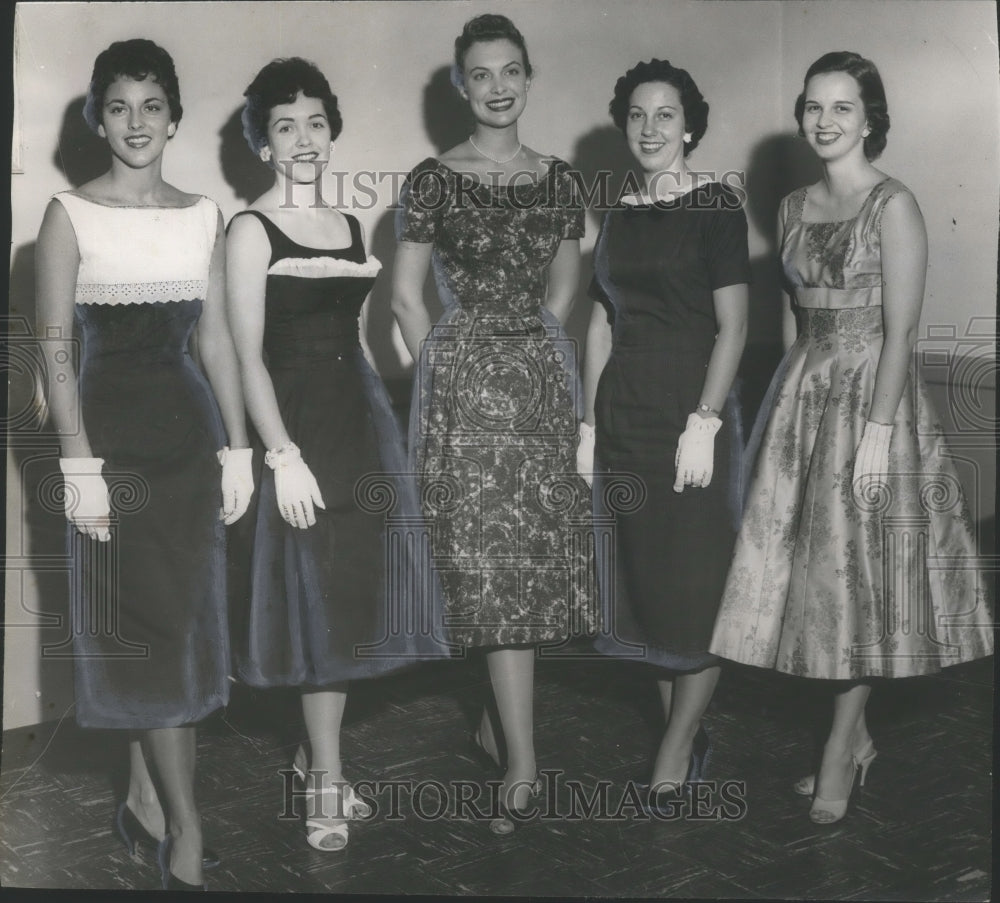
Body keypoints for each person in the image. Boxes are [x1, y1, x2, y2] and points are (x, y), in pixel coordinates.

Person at [709, 51, 994, 824]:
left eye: (842, 107)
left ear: (870, 118)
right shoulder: (793, 205)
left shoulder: (894, 204)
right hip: (806, 395)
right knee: (815, 581)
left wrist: (876, 434)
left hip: (878, 399)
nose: (825, 120)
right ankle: (857, 732)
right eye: (813, 106)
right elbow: (790, 322)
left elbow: (901, 332)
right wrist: (777, 408)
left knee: (863, 581)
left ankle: (838, 747)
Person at [35, 38, 252, 890]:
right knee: (141, 635)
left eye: (151, 105)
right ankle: (187, 828)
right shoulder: (67, 213)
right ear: (98, 117)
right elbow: (54, 352)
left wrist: (238, 445)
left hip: (189, 447)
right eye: (118, 106)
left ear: (174, 116)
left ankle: (147, 803)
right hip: (110, 450)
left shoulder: (205, 215)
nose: (136, 122)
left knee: (181, 633)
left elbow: (218, 341)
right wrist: (77, 462)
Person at [227, 57, 442, 852]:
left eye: (316, 122)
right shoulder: (250, 229)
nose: (305, 139)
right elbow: (246, 354)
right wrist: (279, 452)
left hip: (358, 427)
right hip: (296, 431)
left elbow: (354, 338)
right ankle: (325, 774)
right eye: (286, 126)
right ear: (262, 144)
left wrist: (384, 424)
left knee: (346, 603)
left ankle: (318, 757)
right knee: (312, 599)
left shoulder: (350, 228)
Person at [391, 13, 597, 833]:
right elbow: (406, 296)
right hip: (462, 387)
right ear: (460, 85)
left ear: (528, 76)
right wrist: (450, 372)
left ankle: (502, 731)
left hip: (539, 385)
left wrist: (532, 363)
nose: (499, 87)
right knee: (480, 567)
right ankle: (523, 755)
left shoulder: (562, 180)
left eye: (512, 70)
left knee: (523, 568)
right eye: (482, 74)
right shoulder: (433, 179)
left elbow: (565, 290)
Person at [580, 59, 749, 809]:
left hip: (689, 414)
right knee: (646, 590)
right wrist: (587, 423)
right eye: (638, 116)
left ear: (690, 126)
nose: (650, 129)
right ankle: (680, 726)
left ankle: (677, 745)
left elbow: (736, 326)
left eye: (665, 116)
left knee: (696, 592)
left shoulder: (716, 207)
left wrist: (706, 421)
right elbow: (599, 322)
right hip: (625, 416)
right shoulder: (615, 213)